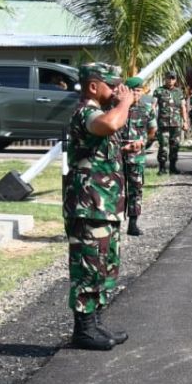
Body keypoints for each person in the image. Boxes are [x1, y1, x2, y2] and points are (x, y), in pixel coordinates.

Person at [62, 62, 132, 350]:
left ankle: (96, 323)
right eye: (111, 85)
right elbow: (110, 124)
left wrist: (126, 148)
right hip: (89, 206)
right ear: (93, 86)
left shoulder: (99, 112)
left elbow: (101, 143)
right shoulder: (86, 112)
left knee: (104, 265)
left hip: (104, 206)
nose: (117, 90)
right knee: (88, 266)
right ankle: (84, 329)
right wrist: (126, 102)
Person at [119, 77, 156, 236]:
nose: (136, 93)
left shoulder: (147, 109)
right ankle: (115, 224)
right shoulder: (117, 108)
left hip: (136, 156)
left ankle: (133, 224)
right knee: (116, 190)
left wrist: (143, 143)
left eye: (139, 90)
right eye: (134, 90)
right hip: (118, 156)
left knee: (135, 189)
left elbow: (152, 131)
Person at [151, 72, 188, 175]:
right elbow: (153, 106)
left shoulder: (179, 92)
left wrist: (185, 121)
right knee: (163, 145)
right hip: (163, 124)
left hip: (176, 124)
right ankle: (162, 168)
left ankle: (173, 167)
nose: (170, 80)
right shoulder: (159, 91)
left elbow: (183, 107)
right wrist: (152, 121)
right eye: (169, 78)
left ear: (175, 80)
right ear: (165, 79)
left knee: (175, 146)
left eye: (173, 78)